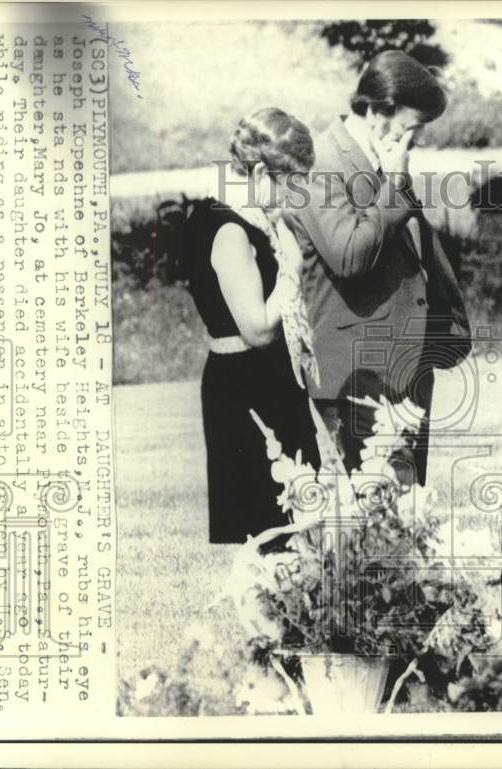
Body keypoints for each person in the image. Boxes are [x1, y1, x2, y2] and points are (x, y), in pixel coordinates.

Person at [289, 50, 471, 487]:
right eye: (413, 127)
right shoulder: (321, 165)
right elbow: (350, 257)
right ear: (375, 110)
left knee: (402, 530)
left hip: (403, 371)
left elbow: (413, 247)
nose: (418, 139)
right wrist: (393, 185)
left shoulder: (384, 161)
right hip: (354, 379)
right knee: (364, 531)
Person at [183, 107, 321, 546]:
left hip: (264, 383)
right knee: (277, 534)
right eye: (291, 181)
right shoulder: (229, 229)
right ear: (261, 171)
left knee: (300, 527)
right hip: (248, 390)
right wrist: (292, 272)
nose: (294, 195)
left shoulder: (250, 219)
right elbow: (256, 328)